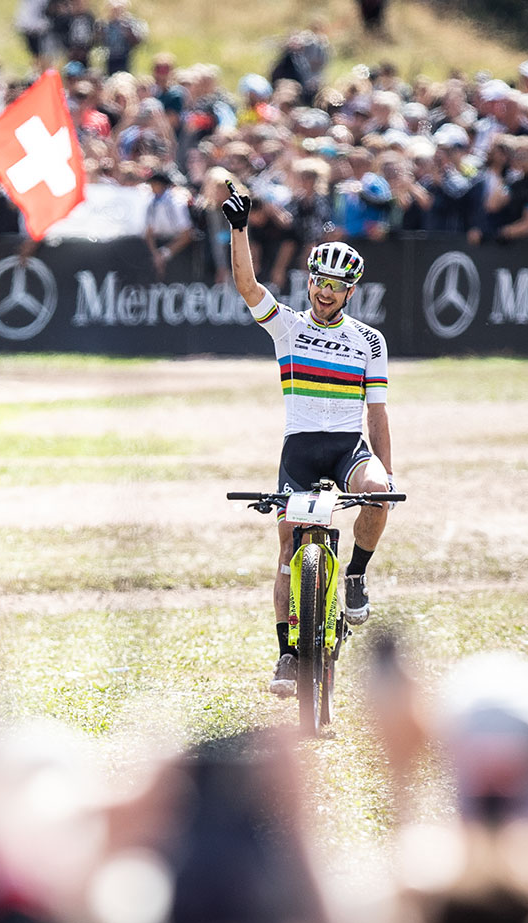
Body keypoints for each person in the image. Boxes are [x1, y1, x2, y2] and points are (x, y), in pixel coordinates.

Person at [220, 185, 394, 700]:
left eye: (336, 286)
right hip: (299, 450)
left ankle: (356, 577)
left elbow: (377, 414)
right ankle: (287, 655)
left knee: (378, 491)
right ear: (310, 282)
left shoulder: (368, 341)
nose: (325, 292)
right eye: (320, 282)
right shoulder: (288, 328)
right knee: (288, 548)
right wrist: (239, 229)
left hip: (348, 448)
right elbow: (247, 284)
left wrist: (386, 473)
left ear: (350, 292)